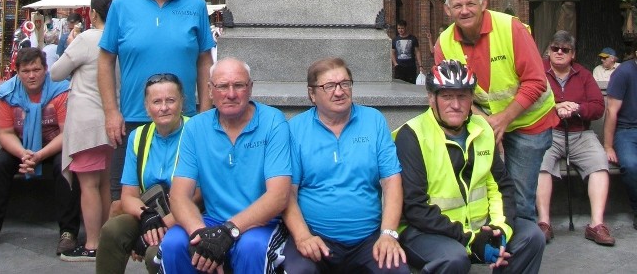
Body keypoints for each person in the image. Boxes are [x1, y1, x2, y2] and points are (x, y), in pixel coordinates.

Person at [394, 60, 545, 273]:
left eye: (462, 96)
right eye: (446, 96)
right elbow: (415, 206)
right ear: (431, 98)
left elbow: (501, 187)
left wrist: (500, 229)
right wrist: (471, 239)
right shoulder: (412, 135)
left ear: (471, 99)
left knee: (532, 236)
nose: (455, 105)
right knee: (454, 258)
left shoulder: (482, 128)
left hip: (478, 225)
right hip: (425, 231)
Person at [98, 0, 215, 211]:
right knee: (121, 203)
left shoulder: (195, 5)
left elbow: (204, 61)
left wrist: (205, 113)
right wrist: (110, 112)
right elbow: (105, 61)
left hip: (182, 120)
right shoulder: (122, 5)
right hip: (133, 120)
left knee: (183, 197)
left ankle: (162, 252)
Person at [435, 0, 557, 220]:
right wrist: (485, 121)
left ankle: (521, 249)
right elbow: (451, 94)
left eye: (470, 3)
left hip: (530, 123)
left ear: (484, 4)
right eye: (457, 6)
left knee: (520, 199)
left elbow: (535, 82)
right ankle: (493, 243)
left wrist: (502, 119)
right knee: (484, 191)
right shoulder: (444, 43)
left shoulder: (511, 28)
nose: (465, 10)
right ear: (447, 10)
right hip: (485, 123)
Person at [159, 57, 291, 274]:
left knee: (252, 248)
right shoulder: (196, 128)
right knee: (173, 244)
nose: (231, 94)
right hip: (211, 219)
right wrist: (202, 234)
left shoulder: (273, 122)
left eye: (238, 85)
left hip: (261, 223)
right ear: (210, 90)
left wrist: (229, 231)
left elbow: (278, 196)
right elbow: (179, 196)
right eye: (222, 86)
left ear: (250, 88)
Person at [283, 57, 410, 274]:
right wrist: (303, 236)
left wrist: (388, 234)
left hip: (368, 238)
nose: (339, 92)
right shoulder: (295, 129)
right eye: (329, 86)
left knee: (396, 270)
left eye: (345, 84)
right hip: (315, 236)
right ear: (312, 94)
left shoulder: (374, 121)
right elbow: (287, 193)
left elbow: (391, 181)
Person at [96, 73, 191, 274]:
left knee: (154, 254)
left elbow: (199, 195)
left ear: (182, 102)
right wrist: (146, 217)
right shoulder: (137, 137)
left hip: (188, 214)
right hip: (150, 212)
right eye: (156, 102)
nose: (164, 107)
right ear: (147, 108)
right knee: (113, 231)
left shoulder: (196, 131)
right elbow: (128, 195)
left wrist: (159, 226)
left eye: (170, 100)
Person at [50, 0, 116, 260]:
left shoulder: (88, 38)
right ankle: (105, 239)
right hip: (112, 121)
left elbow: (55, 73)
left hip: (87, 121)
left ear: (92, 13)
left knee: (88, 185)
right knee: (104, 184)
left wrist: (72, 45)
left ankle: (92, 244)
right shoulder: (120, 38)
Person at [0, 47, 81, 254]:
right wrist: (24, 154)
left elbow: (66, 133)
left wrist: (39, 155)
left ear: (46, 69)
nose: (32, 75)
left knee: (67, 166)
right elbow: (5, 133)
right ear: (17, 72)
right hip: (21, 147)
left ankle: (68, 232)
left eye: (36, 69)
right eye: (26, 71)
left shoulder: (61, 91)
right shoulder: (6, 94)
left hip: (54, 146)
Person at [535, 31, 615, 245]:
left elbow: (598, 107)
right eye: (555, 48)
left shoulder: (584, 74)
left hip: (580, 133)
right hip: (548, 130)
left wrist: (577, 108)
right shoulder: (537, 70)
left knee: (599, 163)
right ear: (549, 51)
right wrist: (554, 107)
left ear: (573, 54)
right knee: (541, 163)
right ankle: (544, 223)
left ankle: (596, 225)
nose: (559, 52)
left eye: (565, 49)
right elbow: (528, 101)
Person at [604, 55, 637, 230]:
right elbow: (611, 111)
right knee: (631, 165)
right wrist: (608, 146)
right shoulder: (624, 72)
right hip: (627, 130)